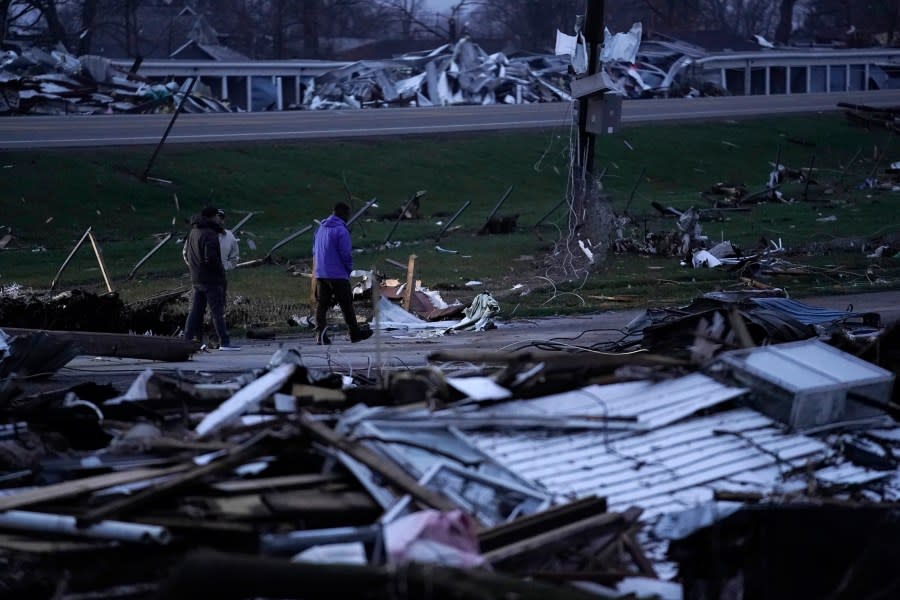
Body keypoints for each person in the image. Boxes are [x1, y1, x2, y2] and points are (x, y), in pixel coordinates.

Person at [312, 202, 372, 345]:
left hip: (321, 272)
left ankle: (320, 334)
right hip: (337, 273)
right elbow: (345, 253)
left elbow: (314, 249)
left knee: (322, 304)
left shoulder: (320, 228)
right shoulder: (341, 230)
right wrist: (348, 268)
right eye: (348, 214)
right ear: (343, 214)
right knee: (346, 304)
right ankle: (354, 333)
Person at [183, 206, 240, 351]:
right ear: (212, 217)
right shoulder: (210, 234)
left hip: (197, 277)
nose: (219, 219)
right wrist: (221, 272)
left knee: (195, 311)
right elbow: (212, 258)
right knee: (217, 311)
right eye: (217, 216)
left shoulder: (193, 232)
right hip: (211, 279)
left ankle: (186, 339)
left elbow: (188, 254)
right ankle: (224, 342)